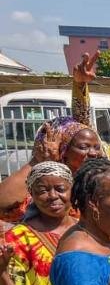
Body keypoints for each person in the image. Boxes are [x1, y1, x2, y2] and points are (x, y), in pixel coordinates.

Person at [0, 52, 101, 222]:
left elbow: (82, 122)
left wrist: (80, 84)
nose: (93, 153)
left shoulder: (95, 176)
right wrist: (39, 161)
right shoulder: (45, 187)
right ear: (63, 150)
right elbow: (3, 204)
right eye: (84, 147)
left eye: (96, 147)